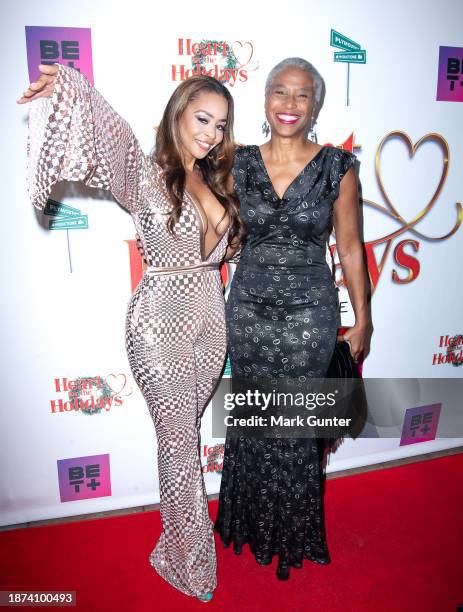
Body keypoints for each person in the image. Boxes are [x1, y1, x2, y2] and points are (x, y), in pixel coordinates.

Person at [18, 62, 244, 601]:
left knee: (181, 440)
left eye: (220, 125)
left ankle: (172, 544)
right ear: (178, 115)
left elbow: (229, 245)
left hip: (211, 320)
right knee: (179, 443)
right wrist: (68, 87)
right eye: (202, 118)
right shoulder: (144, 171)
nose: (210, 133)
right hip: (159, 321)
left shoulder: (217, 179)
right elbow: (107, 126)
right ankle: (191, 563)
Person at [214, 57, 373, 580]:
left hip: (309, 313)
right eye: (279, 92)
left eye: (302, 95)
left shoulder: (338, 168)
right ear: (264, 100)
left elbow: (349, 248)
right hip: (250, 312)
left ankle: (292, 531)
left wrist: (363, 318)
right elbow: (208, 227)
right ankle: (249, 520)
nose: (289, 103)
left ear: (315, 105)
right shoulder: (235, 163)